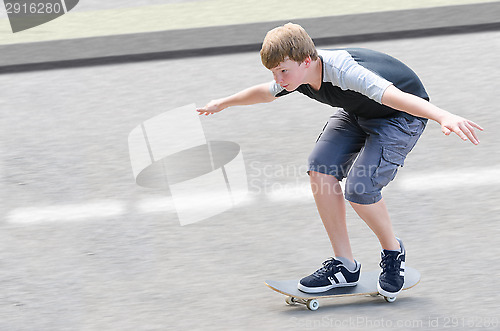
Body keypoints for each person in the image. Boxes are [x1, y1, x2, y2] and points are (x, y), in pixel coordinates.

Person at [196, 23, 483, 298]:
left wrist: (443, 115)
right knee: (320, 170)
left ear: (307, 60)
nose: (279, 80)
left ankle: (393, 252)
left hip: (399, 116)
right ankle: (345, 265)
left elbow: (394, 96)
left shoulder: (346, 71)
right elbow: (265, 92)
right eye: (274, 72)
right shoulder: (295, 76)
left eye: (283, 71)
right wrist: (222, 103)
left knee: (360, 190)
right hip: (358, 111)